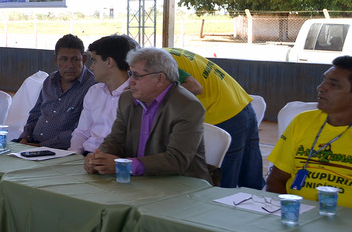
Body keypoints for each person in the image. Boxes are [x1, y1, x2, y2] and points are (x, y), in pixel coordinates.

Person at [85, 47, 212, 183]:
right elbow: (115, 140)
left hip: (183, 184)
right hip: (139, 180)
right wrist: (99, 158)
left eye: (136, 75)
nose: (130, 81)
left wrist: (126, 166)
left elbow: (176, 160)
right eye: (130, 74)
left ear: (159, 79)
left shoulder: (187, 106)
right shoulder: (127, 99)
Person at [267, 56, 352, 210]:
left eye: (333, 84)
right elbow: (275, 180)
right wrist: (288, 212)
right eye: (324, 80)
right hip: (295, 215)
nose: (321, 87)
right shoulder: (301, 121)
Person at [167, 48, 264, 189]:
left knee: (223, 186)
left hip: (224, 116)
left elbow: (194, 87)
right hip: (242, 104)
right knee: (251, 180)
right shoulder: (166, 53)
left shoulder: (154, 62)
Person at [16, 34, 96, 150]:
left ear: (83, 59)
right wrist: (24, 138)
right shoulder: (50, 80)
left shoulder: (92, 87)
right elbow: (35, 114)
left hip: (60, 151)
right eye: (64, 59)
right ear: (55, 59)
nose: (70, 65)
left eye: (75, 59)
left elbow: (81, 131)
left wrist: (41, 147)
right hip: (32, 144)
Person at [69, 35, 138, 155]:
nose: (91, 67)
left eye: (94, 60)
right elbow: (81, 132)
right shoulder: (94, 91)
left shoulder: (135, 95)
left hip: (114, 158)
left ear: (109, 62)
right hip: (86, 155)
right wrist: (73, 156)